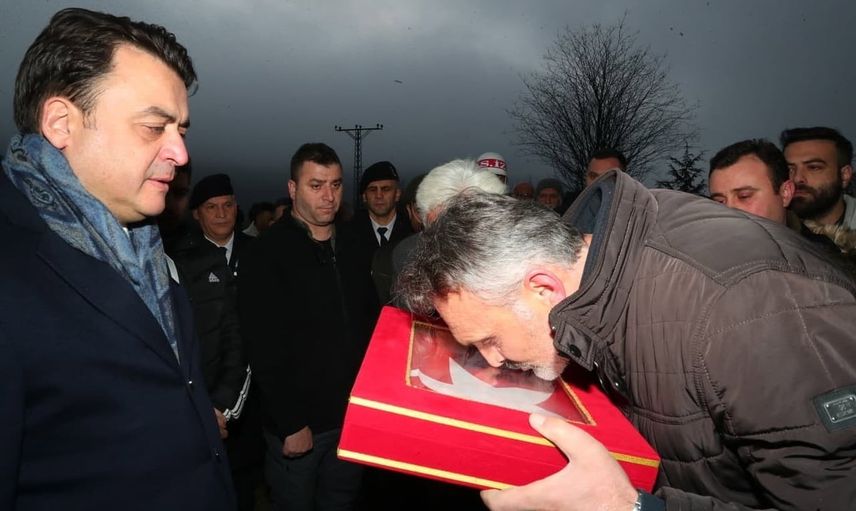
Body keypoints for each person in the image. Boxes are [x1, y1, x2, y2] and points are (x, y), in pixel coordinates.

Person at [397, 169, 856, 510]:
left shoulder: (742, 313)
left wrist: (627, 507)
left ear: (542, 287)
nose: (492, 360)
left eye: (490, 338)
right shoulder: (601, 265)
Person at [0, 8, 235, 509]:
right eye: (154, 127)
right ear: (61, 122)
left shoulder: (148, 252)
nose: (181, 153)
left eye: (181, 130)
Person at [238, 143, 379, 511]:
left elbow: (369, 326)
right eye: (316, 185)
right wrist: (290, 423)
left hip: (350, 418)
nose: (328, 196)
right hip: (301, 427)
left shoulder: (354, 245)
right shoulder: (266, 253)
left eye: (335, 184)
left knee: (342, 503)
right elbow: (261, 345)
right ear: (292, 188)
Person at [781, 126, 855, 228]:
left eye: (813, 168)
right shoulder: (771, 225)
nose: (797, 178)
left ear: (844, 175)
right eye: (789, 169)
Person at [350, 160, 412, 254]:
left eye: (386, 189)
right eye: (372, 190)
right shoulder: (347, 235)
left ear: (397, 194)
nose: (379, 195)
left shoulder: (412, 234)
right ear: (364, 197)